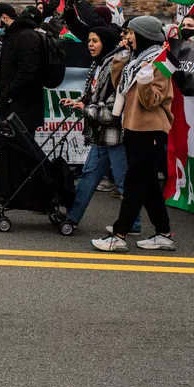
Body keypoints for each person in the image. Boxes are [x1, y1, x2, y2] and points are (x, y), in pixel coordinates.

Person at [92, 17, 177, 253]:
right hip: (133, 127)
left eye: (131, 33)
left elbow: (152, 101)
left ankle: (119, 235)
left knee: (134, 183)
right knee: (148, 184)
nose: (127, 37)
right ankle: (163, 233)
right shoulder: (137, 59)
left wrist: (147, 82)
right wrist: (121, 58)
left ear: (143, 34)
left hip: (149, 129)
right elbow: (119, 84)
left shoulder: (159, 62)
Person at [61, 26, 140, 234]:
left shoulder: (117, 66)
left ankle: (135, 223)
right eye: (89, 40)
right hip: (101, 134)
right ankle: (72, 218)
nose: (90, 44)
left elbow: (114, 108)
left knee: (123, 182)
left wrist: (85, 108)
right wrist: (78, 101)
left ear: (105, 42)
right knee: (88, 176)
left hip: (115, 136)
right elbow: (94, 95)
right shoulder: (100, 64)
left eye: (95, 41)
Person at [0, 3, 44, 176]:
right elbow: (11, 70)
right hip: (13, 104)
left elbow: (27, 72)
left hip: (23, 106)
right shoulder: (13, 37)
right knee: (12, 154)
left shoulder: (26, 37)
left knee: (23, 154)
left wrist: (9, 93)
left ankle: (26, 193)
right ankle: (11, 193)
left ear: (5, 17)